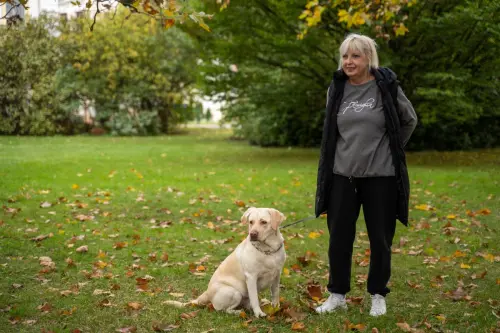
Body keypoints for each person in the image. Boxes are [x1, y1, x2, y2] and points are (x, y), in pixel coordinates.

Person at [314, 33, 417, 316]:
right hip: (341, 176)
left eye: (355, 56)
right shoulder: (336, 89)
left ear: (368, 58)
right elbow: (333, 132)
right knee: (339, 239)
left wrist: (391, 148)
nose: (348, 61)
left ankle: (377, 295)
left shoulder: (386, 88)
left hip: (381, 176)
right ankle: (337, 295)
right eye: (345, 55)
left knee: (380, 239)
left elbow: (409, 120)